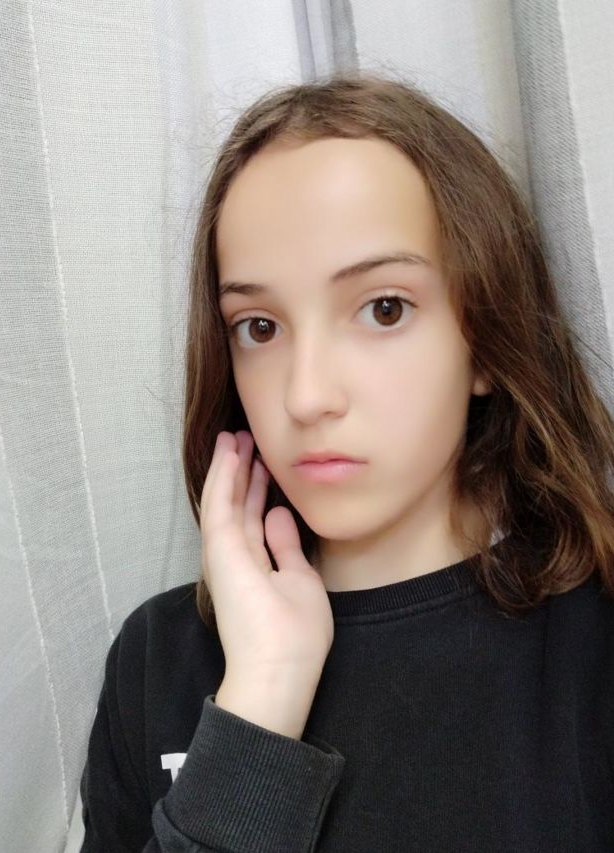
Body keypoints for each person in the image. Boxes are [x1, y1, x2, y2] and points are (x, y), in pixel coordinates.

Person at [79, 72, 614, 852]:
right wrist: (260, 701)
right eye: (259, 326)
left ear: (485, 339)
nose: (306, 395)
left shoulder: (590, 646)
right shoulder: (157, 661)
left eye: (383, 308)